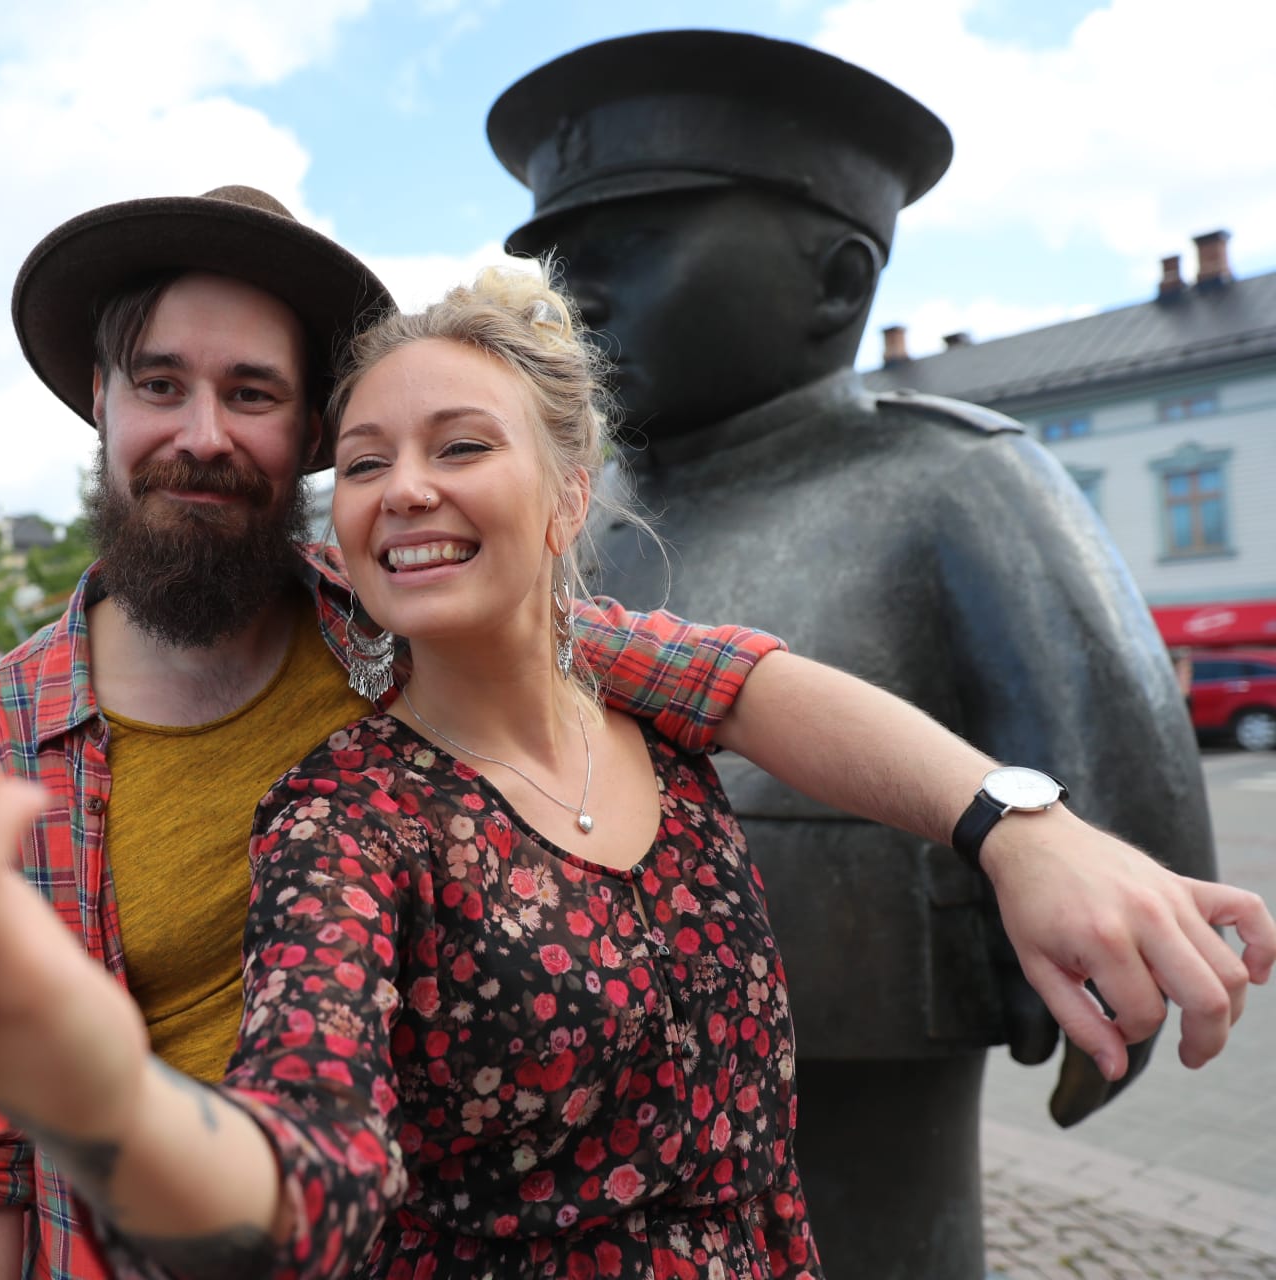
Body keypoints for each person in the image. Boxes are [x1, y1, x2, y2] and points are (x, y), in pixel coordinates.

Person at [0, 261, 1271, 1279]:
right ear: (103, 411)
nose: (202, 429)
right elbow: (235, 1162)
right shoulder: (191, 782)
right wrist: (78, 1073)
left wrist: (1014, 822)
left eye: (259, 397)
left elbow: (757, 682)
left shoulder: (524, 653)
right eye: (159, 385)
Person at [484, 31, 1219, 1276]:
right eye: (562, 264)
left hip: (857, 1168)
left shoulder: (954, 481)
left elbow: (1134, 812)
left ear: (834, 280)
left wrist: (1107, 981)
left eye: (633, 248)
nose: (578, 297)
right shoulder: (562, 515)